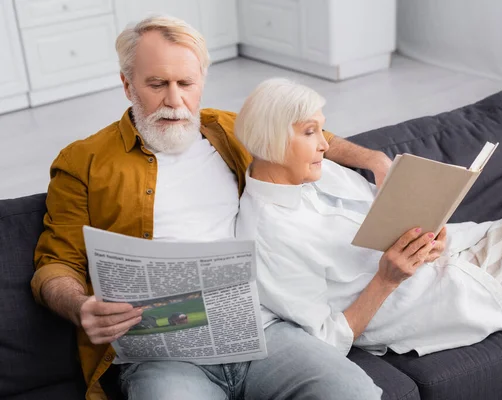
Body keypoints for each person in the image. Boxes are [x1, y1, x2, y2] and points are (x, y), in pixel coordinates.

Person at [31, 16, 392, 400]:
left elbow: (303, 131)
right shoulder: (82, 161)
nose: (174, 100)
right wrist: (80, 305)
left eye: (186, 84)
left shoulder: (225, 129)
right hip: (164, 356)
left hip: (261, 329)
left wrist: (375, 160)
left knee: (355, 393)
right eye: (157, 84)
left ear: (201, 80)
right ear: (127, 84)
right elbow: (55, 263)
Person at [235, 78, 502, 359]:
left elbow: (386, 221)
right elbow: (326, 342)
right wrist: (386, 280)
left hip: (451, 254)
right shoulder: (268, 235)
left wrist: (431, 235)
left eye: (321, 129)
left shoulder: (320, 171)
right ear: (271, 139)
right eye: (310, 132)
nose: (326, 144)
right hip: (444, 294)